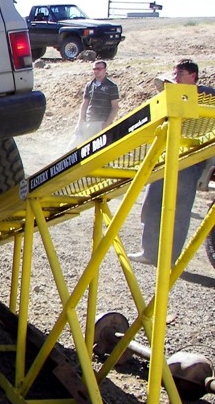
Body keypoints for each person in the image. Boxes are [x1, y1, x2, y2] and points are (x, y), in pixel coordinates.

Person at [129, 59, 215, 265]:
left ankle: (168, 258)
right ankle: (149, 252)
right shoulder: (170, 96)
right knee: (152, 204)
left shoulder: (208, 96)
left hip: (191, 161)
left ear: (193, 76)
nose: (175, 77)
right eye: (174, 74)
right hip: (165, 157)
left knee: (180, 211)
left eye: (180, 74)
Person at [71, 60, 120, 145]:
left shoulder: (111, 86)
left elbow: (115, 107)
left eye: (99, 69)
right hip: (88, 122)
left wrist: (107, 124)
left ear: (105, 70)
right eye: (94, 69)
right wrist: (80, 121)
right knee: (75, 146)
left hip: (101, 122)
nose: (96, 71)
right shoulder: (89, 85)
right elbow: (84, 104)